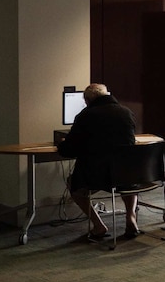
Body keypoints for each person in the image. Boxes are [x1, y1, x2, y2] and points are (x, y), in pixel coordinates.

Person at [57, 83, 141, 239]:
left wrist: (62, 144)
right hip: (126, 174)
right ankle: (131, 218)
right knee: (129, 183)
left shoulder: (85, 116)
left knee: (73, 185)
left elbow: (70, 149)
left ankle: (99, 225)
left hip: (98, 176)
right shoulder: (127, 112)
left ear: (88, 100)